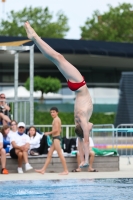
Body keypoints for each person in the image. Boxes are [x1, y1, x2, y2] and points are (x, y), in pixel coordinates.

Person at [24, 21, 93, 168]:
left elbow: (85, 141)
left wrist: (85, 160)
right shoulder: (81, 119)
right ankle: (35, 37)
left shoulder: (82, 118)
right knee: (56, 58)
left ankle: (35, 37)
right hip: (76, 87)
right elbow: (82, 140)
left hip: (79, 84)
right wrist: (83, 161)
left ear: (82, 125)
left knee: (58, 57)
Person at [35, 107, 69, 175]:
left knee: (60, 154)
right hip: (55, 138)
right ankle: (43, 170)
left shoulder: (56, 120)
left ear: (57, 112)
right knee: (49, 154)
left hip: (56, 138)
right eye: (51, 112)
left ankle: (66, 170)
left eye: (53, 112)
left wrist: (48, 133)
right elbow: (60, 129)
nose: (52, 113)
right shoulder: (56, 119)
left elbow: (56, 130)